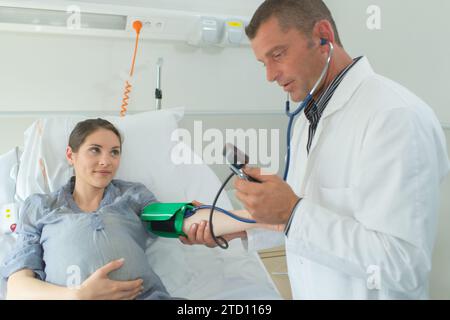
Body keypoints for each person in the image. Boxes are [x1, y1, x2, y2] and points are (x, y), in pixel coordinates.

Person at [181, 0, 450, 299]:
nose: (270, 75)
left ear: (323, 37)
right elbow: (311, 226)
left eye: (278, 55)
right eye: (263, 63)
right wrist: (242, 227)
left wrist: (291, 211)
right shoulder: (305, 120)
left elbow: (404, 264)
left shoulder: (396, 117)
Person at [0, 118, 278, 300]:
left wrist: (259, 218)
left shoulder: (130, 196)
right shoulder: (40, 207)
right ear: (71, 156)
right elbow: (17, 287)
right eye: (95, 150)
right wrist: (78, 295)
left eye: (114, 152)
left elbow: (184, 220)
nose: (106, 161)